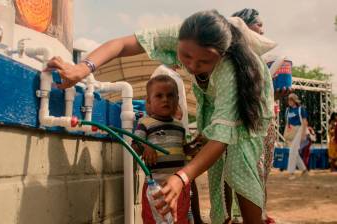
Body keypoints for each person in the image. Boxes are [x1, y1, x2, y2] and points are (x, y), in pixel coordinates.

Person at [45, 10, 274, 224]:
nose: (192, 66)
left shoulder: (230, 71)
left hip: (251, 104)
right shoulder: (182, 34)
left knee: (239, 166)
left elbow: (221, 139)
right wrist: (82, 69)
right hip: (215, 105)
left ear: (221, 56)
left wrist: (181, 178)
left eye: (204, 62)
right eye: (186, 56)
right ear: (179, 42)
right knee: (217, 172)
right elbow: (122, 44)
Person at [231, 8, 285, 224]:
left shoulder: (261, 59)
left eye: (263, 25)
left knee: (263, 171)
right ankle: (240, 215)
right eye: (257, 25)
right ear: (244, 28)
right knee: (250, 170)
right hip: (247, 125)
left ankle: (260, 211)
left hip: (266, 122)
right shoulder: (235, 60)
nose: (262, 30)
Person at [132, 75, 190, 224]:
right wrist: (146, 146)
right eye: (159, 96)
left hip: (178, 187)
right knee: (154, 219)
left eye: (170, 95)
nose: (165, 99)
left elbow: (184, 151)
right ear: (149, 103)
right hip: (155, 186)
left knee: (179, 218)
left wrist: (194, 149)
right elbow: (134, 146)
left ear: (177, 101)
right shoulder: (145, 123)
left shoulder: (179, 126)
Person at [283, 93, 308, 179]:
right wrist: (286, 135)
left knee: (292, 151)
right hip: (291, 131)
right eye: (289, 100)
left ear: (295, 100)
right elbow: (287, 123)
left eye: (291, 99)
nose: (289, 101)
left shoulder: (301, 109)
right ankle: (304, 170)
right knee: (294, 152)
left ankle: (291, 173)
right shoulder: (287, 110)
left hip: (299, 129)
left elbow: (304, 122)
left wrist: (303, 134)